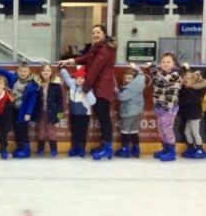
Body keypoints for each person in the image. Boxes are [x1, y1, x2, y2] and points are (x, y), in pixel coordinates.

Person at [58, 24, 117, 161]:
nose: (95, 34)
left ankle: (107, 148)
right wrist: (70, 60)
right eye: (93, 32)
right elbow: (85, 58)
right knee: (102, 118)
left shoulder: (105, 49)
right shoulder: (96, 48)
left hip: (102, 89)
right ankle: (104, 145)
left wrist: (84, 88)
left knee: (104, 119)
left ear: (104, 34)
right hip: (96, 89)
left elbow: (94, 70)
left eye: (98, 32)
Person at [0, 60, 35, 158]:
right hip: (13, 109)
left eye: (25, 71)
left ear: (29, 72)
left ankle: (26, 149)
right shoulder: (14, 78)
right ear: (17, 71)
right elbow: (5, 72)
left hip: (23, 111)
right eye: (21, 71)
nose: (22, 73)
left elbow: (31, 100)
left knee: (23, 129)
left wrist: (28, 113)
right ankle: (20, 147)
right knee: (15, 129)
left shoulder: (31, 84)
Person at [147, 52, 182, 162]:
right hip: (160, 106)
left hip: (169, 107)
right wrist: (153, 68)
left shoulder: (175, 75)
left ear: (174, 63)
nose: (165, 64)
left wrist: (152, 67)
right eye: (163, 62)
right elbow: (158, 79)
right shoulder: (162, 74)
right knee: (161, 129)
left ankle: (171, 151)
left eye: (168, 62)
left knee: (167, 129)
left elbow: (161, 81)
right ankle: (165, 149)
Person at [26, 62, 63, 158]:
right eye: (43, 70)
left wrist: (59, 113)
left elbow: (60, 100)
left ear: (51, 72)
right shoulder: (37, 84)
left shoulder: (56, 85)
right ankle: (40, 149)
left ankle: (54, 150)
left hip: (52, 112)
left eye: (48, 70)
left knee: (51, 131)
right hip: (40, 112)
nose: (45, 72)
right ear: (40, 72)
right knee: (41, 131)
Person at [60, 65, 96, 158]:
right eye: (77, 78)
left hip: (84, 114)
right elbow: (67, 78)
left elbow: (93, 101)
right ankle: (74, 147)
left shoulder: (87, 88)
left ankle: (81, 148)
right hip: (74, 113)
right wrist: (62, 69)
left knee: (82, 132)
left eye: (82, 78)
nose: (79, 80)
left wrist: (87, 92)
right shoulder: (72, 83)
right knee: (74, 131)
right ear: (75, 78)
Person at [177, 65, 206, 159]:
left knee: (195, 132)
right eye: (184, 80)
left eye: (186, 81)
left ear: (192, 82)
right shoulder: (185, 89)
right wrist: (185, 69)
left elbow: (184, 101)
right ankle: (191, 147)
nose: (184, 82)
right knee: (187, 132)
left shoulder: (194, 91)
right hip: (189, 115)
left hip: (195, 116)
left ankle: (200, 149)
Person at [115, 63, 145, 158]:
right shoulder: (140, 82)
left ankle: (125, 149)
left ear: (134, 79)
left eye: (129, 78)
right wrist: (136, 67)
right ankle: (136, 148)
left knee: (125, 130)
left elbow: (121, 97)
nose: (127, 80)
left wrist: (116, 91)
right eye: (125, 78)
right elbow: (142, 75)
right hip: (137, 112)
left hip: (128, 113)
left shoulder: (130, 88)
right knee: (134, 130)